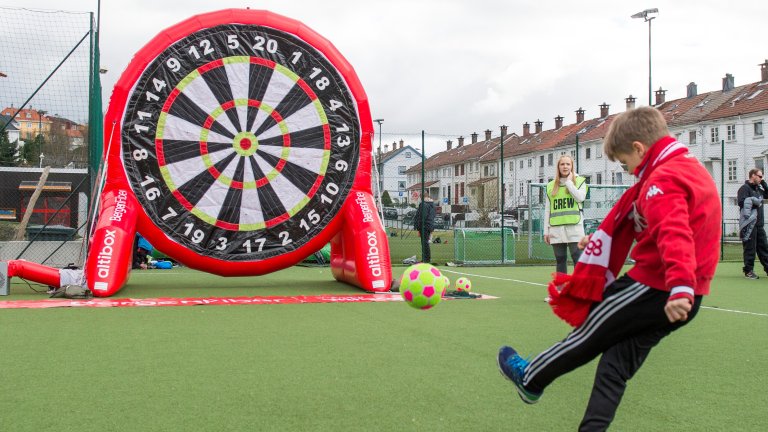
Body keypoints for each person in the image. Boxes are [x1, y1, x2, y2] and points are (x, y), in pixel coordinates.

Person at [497, 107, 721, 431]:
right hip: (686, 294)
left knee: (590, 329)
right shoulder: (687, 166)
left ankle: (531, 378)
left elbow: (675, 234)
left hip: (658, 288)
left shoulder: (662, 179)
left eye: (625, 162)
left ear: (639, 149)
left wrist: (680, 285)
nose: (629, 172)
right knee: (615, 366)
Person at [544, 155, 588, 275]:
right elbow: (548, 210)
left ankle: (579, 289)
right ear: (558, 167)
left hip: (574, 227)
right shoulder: (550, 186)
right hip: (556, 228)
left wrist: (569, 182)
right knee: (560, 260)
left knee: (578, 259)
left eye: (568, 164)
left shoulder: (579, 181)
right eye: (562, 164)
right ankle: (560, 290)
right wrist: (546, 231)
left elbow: (580, 198)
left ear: (572, 166)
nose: (565, 166)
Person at [737, 168, 768, 279]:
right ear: (753, 175)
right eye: (760, 176)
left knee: (764, 247)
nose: (761, 179)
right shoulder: (744, 188)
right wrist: (755, 201)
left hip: (759, 224)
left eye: (762, 177)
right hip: (749, 224)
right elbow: (742, 202)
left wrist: (764, 183)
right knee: (750, 248)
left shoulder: (759, 189)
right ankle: (748, 271)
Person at [413, 196, 436, 264]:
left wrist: (418, 227)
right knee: (425, 243)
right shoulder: (432, 205)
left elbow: (422, 216)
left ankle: (426, 259)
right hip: (429, 225)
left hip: (425, 226)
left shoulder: (424, 205)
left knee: (425, 243)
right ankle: (426, 258)